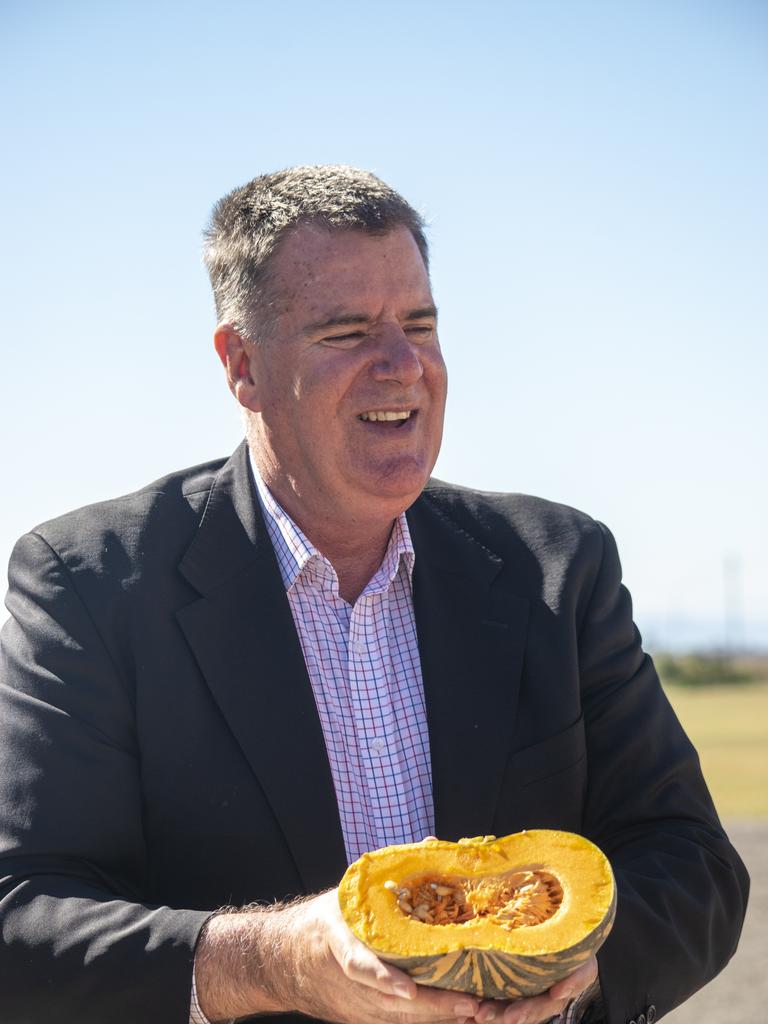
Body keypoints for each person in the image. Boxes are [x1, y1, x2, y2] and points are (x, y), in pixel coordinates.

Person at [0, 165, 748, 1024]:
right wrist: (271, 963)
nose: (402, 366)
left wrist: (573, 975)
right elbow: (21, 917)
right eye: (347, 331)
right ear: (242, 363)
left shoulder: (559, 566)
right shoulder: (86, 582)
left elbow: (692, 863)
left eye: (419, 324)